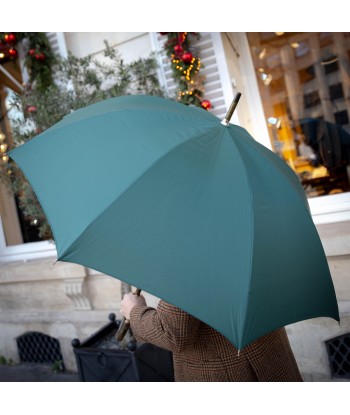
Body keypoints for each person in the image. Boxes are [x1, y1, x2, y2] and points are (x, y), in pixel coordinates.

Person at [120, 292, 303, 382]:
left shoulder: (192, 242)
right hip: (271, 354)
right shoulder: (257, 227)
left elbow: (173, 332)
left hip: (232, 372)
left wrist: (134, 311)